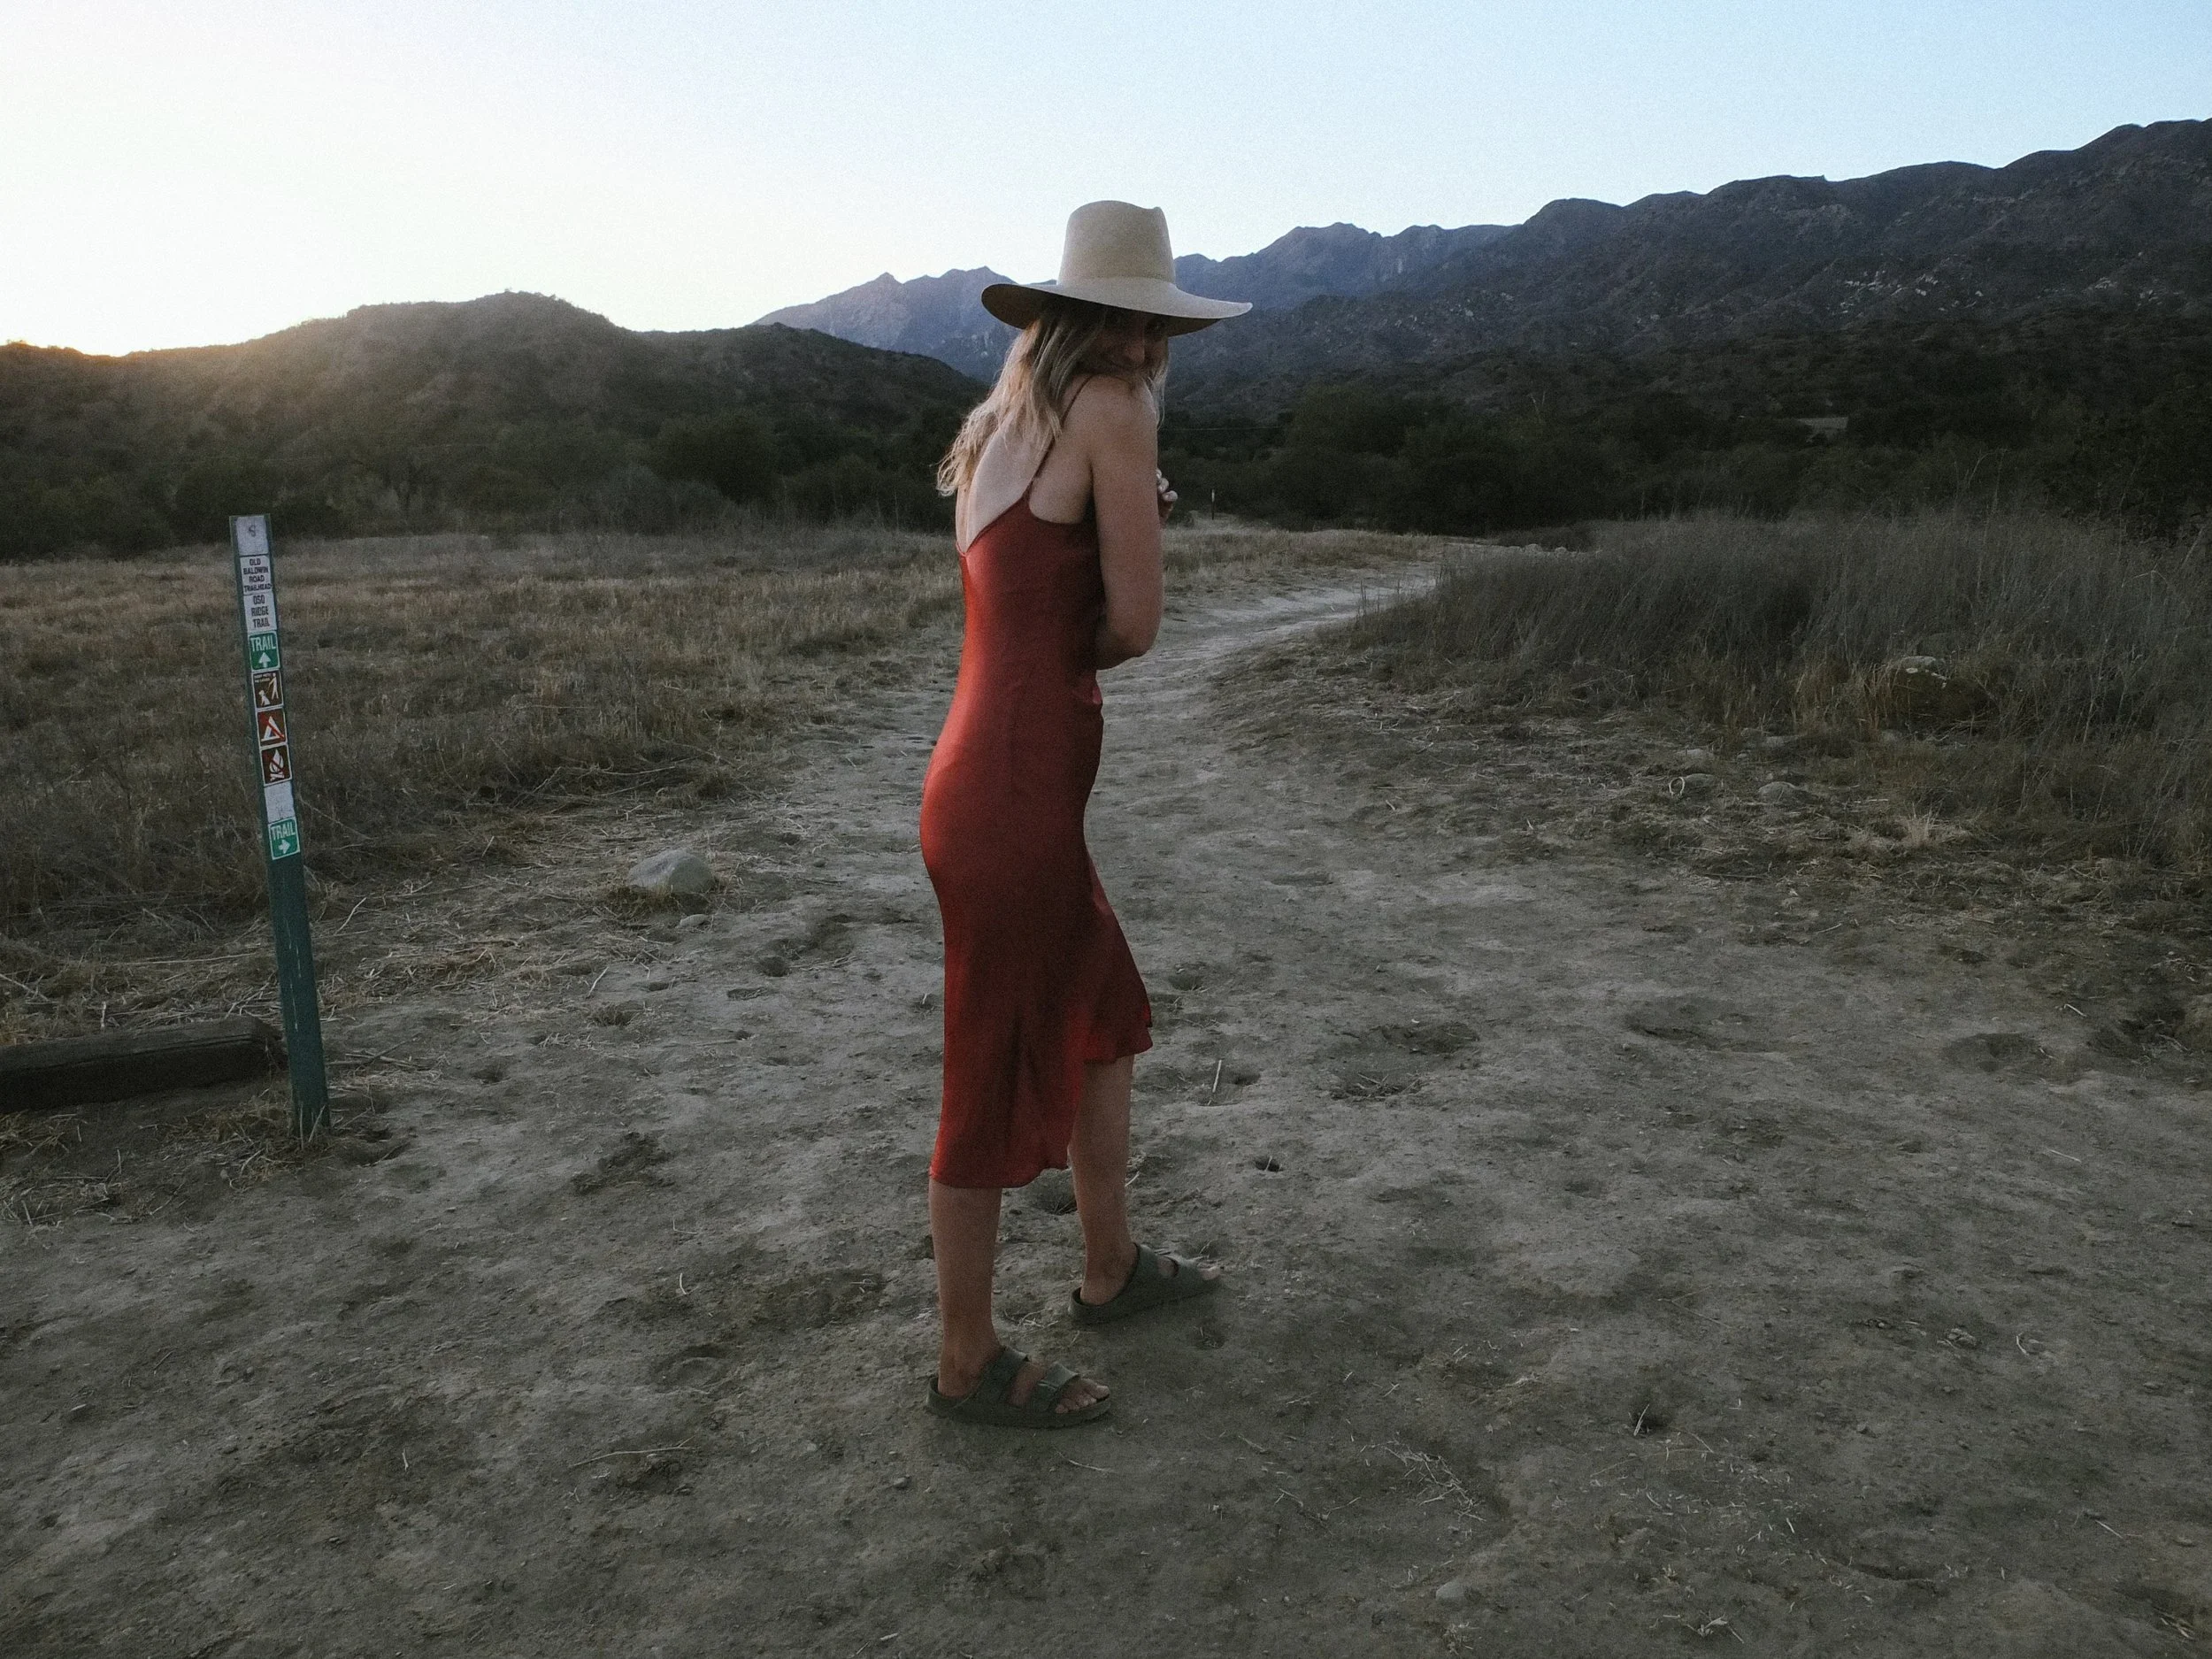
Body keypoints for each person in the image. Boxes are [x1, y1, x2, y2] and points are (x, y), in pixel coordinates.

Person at [919, 202, 1251, 1427]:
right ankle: (965, 1359)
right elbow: (1133, 623)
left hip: (982, 784)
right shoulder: (1114, 411)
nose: (1160, 350)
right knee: (989, 1070)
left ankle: (1108, 1265)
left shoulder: (1002, 420)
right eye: (1154, 326)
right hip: (1013, 795)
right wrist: (1131, 546)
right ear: (1126, 325)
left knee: (1101, 1008)